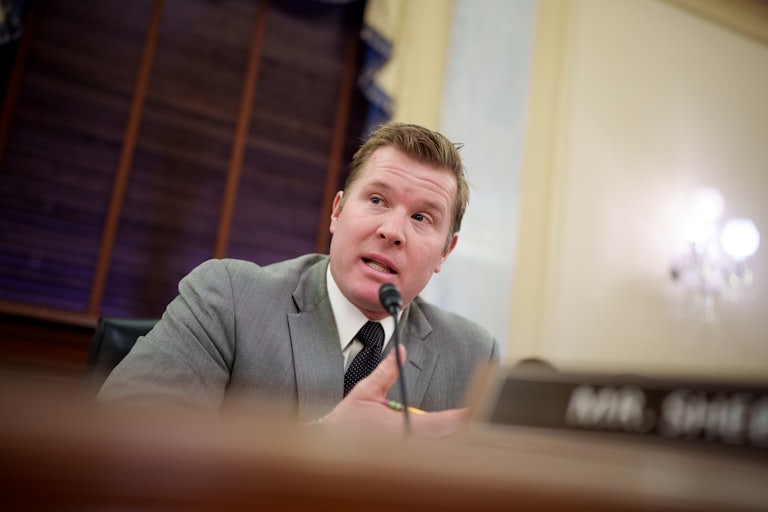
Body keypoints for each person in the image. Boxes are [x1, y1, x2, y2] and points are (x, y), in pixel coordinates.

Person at [98, 122, 499, 438]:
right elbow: (125, 433)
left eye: (421, 218)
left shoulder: (472, 357)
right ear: (337, 212)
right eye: (377, 200)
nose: (393, 230)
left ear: (445, 253)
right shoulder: (228, 298)